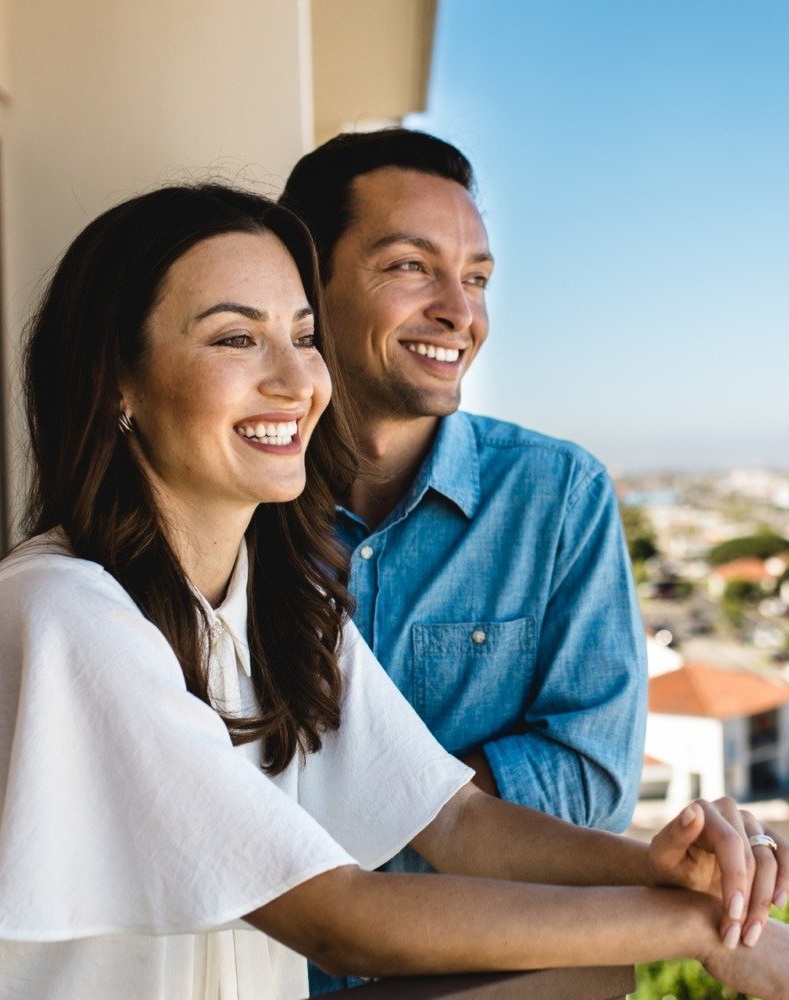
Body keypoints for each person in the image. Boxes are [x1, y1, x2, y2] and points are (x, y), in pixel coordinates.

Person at [0, 183, 789, 1000]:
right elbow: (343, 917)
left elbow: (450, 817)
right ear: (118, 381)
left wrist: (670, 874)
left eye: (302, 336)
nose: (297, 380)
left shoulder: (275, 603)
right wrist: (710, 933)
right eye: (235, 338)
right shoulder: (61, 613)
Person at [279, 129, 646, 840]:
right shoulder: (237, 504)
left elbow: (594, 778)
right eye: (411, 266)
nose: (461, 313)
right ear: (306, 285)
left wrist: (350, 816)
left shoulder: (560, 494)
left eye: (476, 278)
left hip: (478, 954)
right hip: (263, 957)